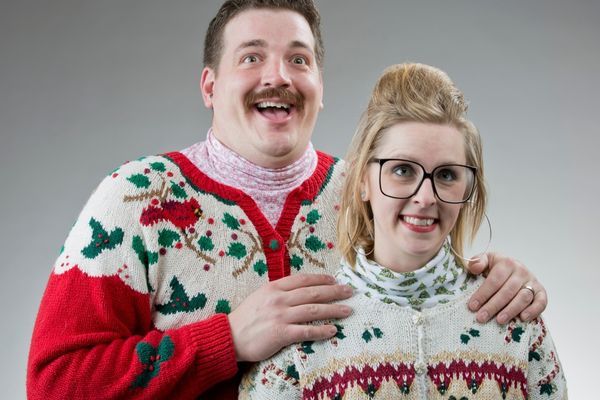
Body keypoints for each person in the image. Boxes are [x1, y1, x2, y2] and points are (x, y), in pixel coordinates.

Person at [27, 1, 548, 399]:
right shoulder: (135, 200)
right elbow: (52, 383)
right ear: (210, 85)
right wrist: (225, 341)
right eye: (252, 56)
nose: (277, 75)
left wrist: (499, 277)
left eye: (298, 59)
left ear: (320, 86)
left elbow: (432, 307)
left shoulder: (375, 191)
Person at [238, 63, 567, 399]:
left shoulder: (516, 321)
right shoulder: (300, 339)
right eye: (402, 170)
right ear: (363, 180)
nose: (425, 198)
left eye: (447, 175)